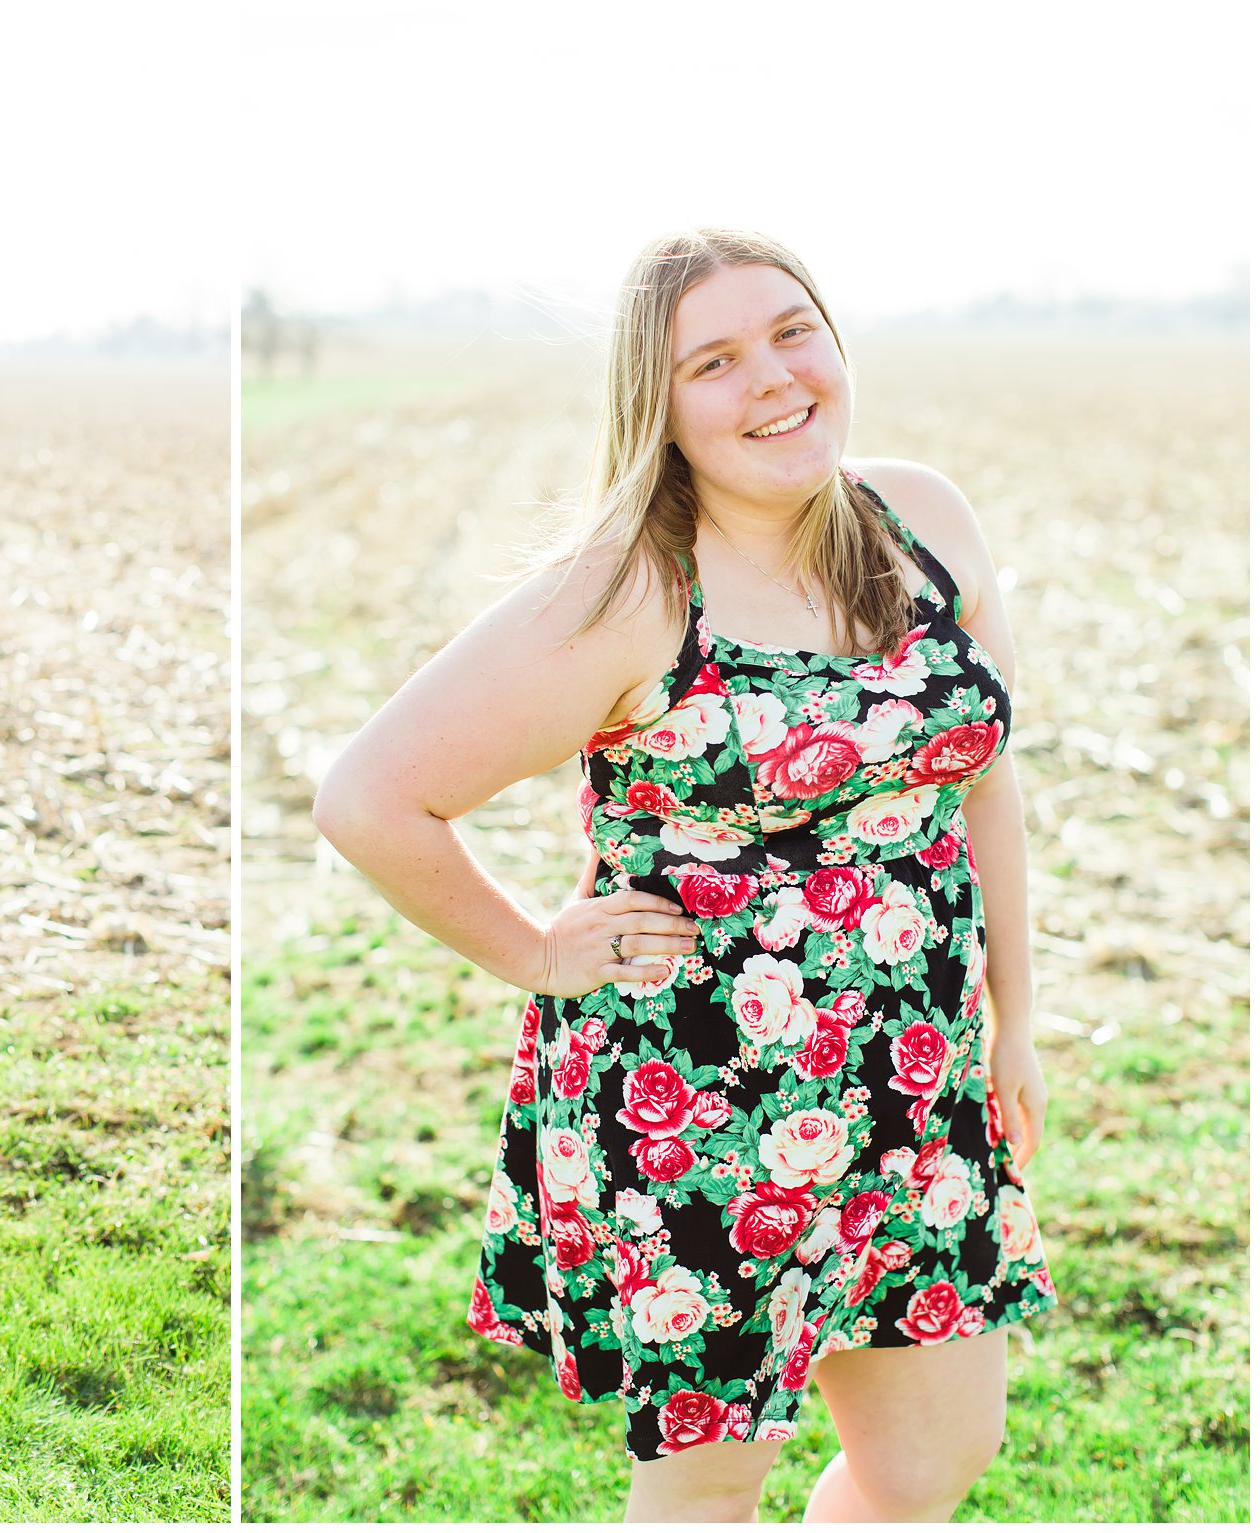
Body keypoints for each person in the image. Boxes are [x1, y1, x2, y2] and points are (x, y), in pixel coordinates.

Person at [313, 229, 1057, 1522]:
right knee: (709, 1495)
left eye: (791, 331)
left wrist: (1017, 1018)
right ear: (659, 407)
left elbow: (978, 770)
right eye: (714, 360)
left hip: (922, 1080)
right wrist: (535, 952)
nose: (773, 377)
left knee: (933, 1457)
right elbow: (372, 798)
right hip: (709, 1112)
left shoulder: (922, 520)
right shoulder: (630, 591)